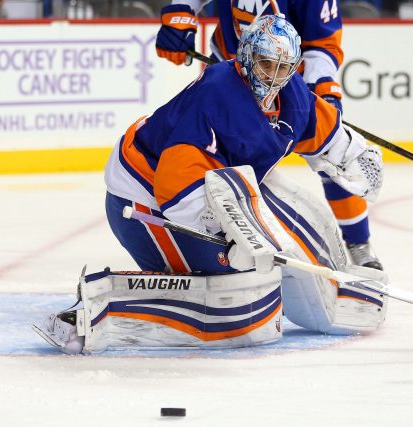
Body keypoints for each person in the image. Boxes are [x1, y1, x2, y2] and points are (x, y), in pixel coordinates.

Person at [34, 15, 387, 354]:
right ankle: (95, 309)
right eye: (266, 64)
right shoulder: (217, 95)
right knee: (233, 293)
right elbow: (175, 189)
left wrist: (355, 154)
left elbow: (319, 127)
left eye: (284, 68)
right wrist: (225, 233)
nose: (274, 76)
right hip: (144, 201)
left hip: (206, 188)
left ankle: (337, 284)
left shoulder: (290, 92)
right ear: (247, 57)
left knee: (264, 267)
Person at [155, 0, 384, 270]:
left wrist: (320, 85)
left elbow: (322, 42)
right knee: (220, 151)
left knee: (329, 150)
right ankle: (218, 236)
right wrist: (181, 12)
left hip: (286, 80)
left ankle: (359, 243)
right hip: (233, 65)